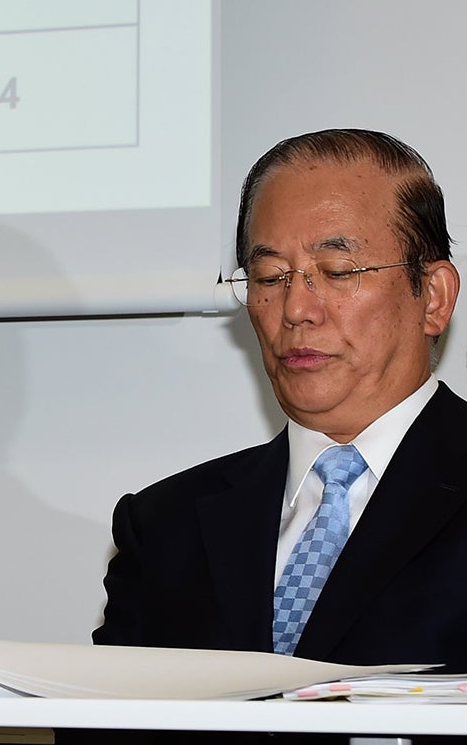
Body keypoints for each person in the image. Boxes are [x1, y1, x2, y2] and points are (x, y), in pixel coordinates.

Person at [96, 128, 467, 663]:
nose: (295, 309)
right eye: (269, 276)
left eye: (338, 272)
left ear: (433, 297)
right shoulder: (164, 525)